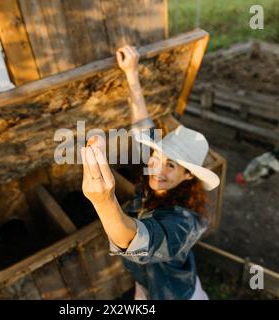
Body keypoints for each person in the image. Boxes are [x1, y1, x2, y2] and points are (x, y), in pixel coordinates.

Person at [80, 45, 220, 300]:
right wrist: (131, 73)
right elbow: (143, 127)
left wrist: (103, 200)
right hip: (146, 286)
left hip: (175, 295)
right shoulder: (157, 177)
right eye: (158, 157)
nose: (158, 168)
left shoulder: (188, 221)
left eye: (171, 165)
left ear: (188, 175)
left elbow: (140, 242)